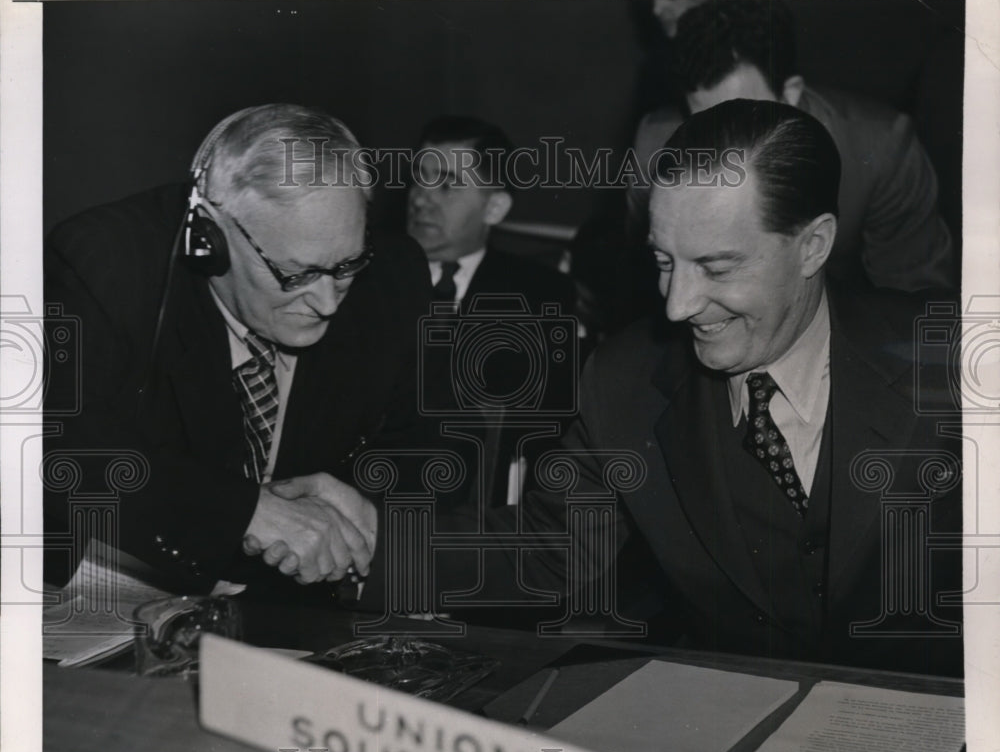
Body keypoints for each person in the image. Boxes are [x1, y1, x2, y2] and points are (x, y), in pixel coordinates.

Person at [304, 99, 961, 675]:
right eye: (663, 261)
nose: (678, 305)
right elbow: (550, 549)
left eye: (716, 266)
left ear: (814, 245)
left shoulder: (952, 366)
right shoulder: (624, 378)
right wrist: (370, 538)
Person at [44, 104, 431, 598]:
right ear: (208, 238)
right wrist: (246, 511)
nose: (327, 300)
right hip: (113, 593)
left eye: (346, 266)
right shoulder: (105, 259)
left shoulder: (395, 275)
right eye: (297, 274)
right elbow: (52, 436)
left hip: (299, 606)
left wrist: (362, 509)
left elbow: (419, 445)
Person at [628, 0, 956, 293]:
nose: (725, 145)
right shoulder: (656, 147)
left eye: (747, 119)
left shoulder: (883, 148)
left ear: (792, 92)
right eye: (702, 123)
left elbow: (912, 299)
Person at [406, 115, 576, 508]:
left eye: (447, 183)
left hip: (480, 507)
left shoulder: (538, 294)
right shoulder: (369, 279)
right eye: (419, 177)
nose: (420, 198)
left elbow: (543, 425)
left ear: (494, 207)